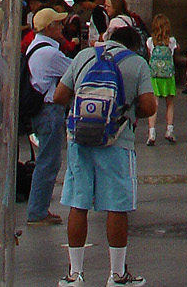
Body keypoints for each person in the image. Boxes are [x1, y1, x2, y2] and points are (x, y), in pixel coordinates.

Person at [53, 15, 157, 285]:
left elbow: (59, 96)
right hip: (116, 141)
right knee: (116, 206)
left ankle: (74, 274)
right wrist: (127, 111)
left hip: (80, 139)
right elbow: (149, 106)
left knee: (78, 203)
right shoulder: (137, 64)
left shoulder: (84, 57)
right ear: (134, 45)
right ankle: (118, 274)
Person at [25, 7, 72, 227]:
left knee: (47, 159)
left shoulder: (35, 48)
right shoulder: (50, 53)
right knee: (49, 161)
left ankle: (39, 208)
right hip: (50, 110)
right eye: (58, 24)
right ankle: (37, 210)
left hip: (42, 111)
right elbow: (74, 71)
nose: (62, 27)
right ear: (49, 27)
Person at [145, 15, 177, 146]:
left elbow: (149, 56)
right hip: (168, 76)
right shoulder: (172, 41)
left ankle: (152, 132)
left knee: (155, 104)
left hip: (154, 76)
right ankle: (169, 130)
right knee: (169, 103)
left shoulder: (150, 42)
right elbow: (173, 54)